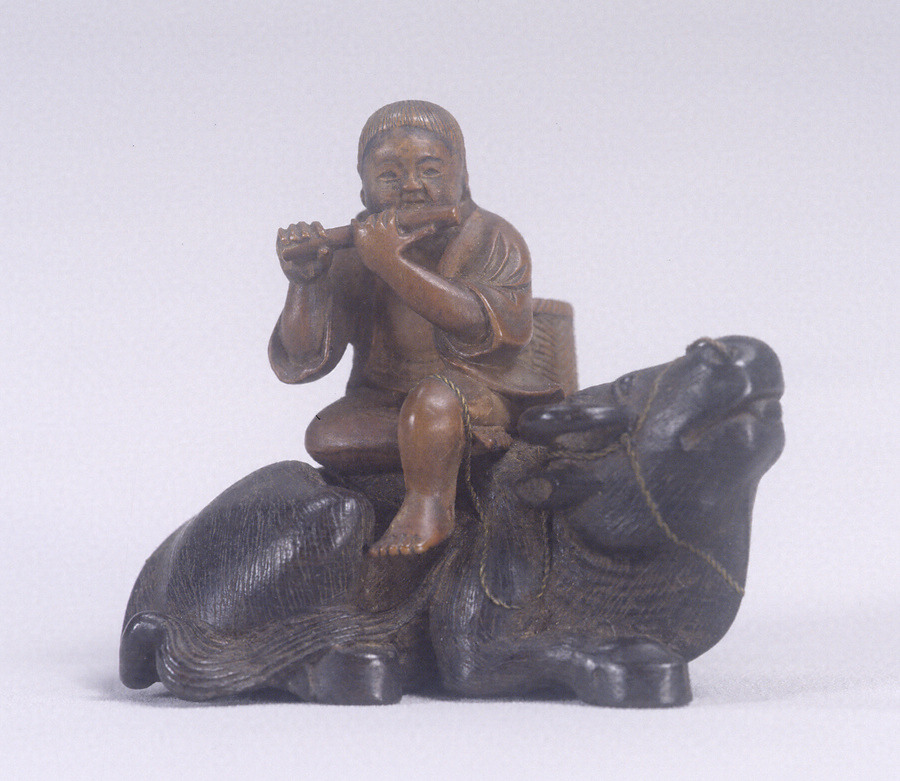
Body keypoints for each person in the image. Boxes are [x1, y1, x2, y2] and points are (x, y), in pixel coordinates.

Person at [270, 101, 562, 556]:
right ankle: (446, 439)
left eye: (429, 170)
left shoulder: (492, 237)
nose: (410, 186)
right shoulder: (353, 252)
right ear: (364, 189)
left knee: (434, 402)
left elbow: (481, 325)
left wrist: (392, 265)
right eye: (389, 175)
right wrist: (305, 285)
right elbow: (305, 358)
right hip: (388, 405)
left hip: (480, 391)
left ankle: (429, 506)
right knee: (327, 433)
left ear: (463, 177)